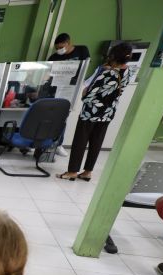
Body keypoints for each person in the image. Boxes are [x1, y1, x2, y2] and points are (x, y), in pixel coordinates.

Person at [57, 42, 133, 182]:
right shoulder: (128, 70)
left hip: (91, 112)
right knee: (97, 142)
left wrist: (85, 92)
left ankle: (73, 171)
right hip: (108, 112)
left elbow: (88, 95)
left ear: (113, 55)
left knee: (80, 141)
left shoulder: (106, 72)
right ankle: (87, 172)